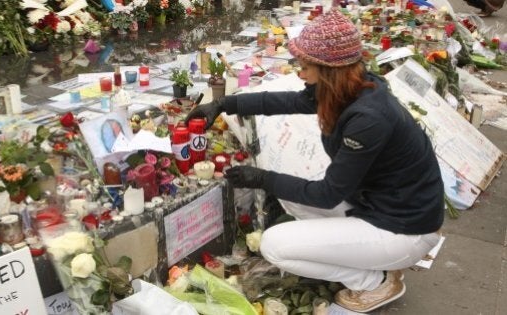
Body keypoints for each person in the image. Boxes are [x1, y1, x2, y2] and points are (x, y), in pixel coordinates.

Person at [185, 9, 443, 313]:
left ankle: (373, 281)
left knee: (274, 246)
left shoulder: (368, 119)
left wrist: (262, 178)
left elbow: (328, 194)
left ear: (329, 70)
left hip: (404, 228)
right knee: (290, 195)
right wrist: (224, 104)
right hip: (379, 204)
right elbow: (286, 102)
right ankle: (377, 263)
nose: (299, 73)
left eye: (305, 66)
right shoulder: (349, 88)